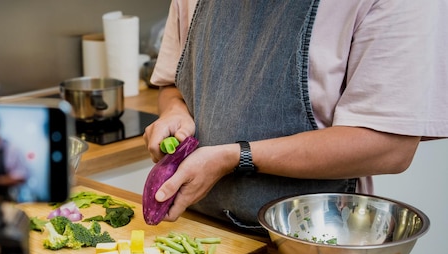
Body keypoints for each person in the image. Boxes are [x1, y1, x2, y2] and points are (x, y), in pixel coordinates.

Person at [144, 0, 448, 234]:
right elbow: (173, 84)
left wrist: (235, 157)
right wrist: (174, 109)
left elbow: (389, 148)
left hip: (315, 246)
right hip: (195, 229)